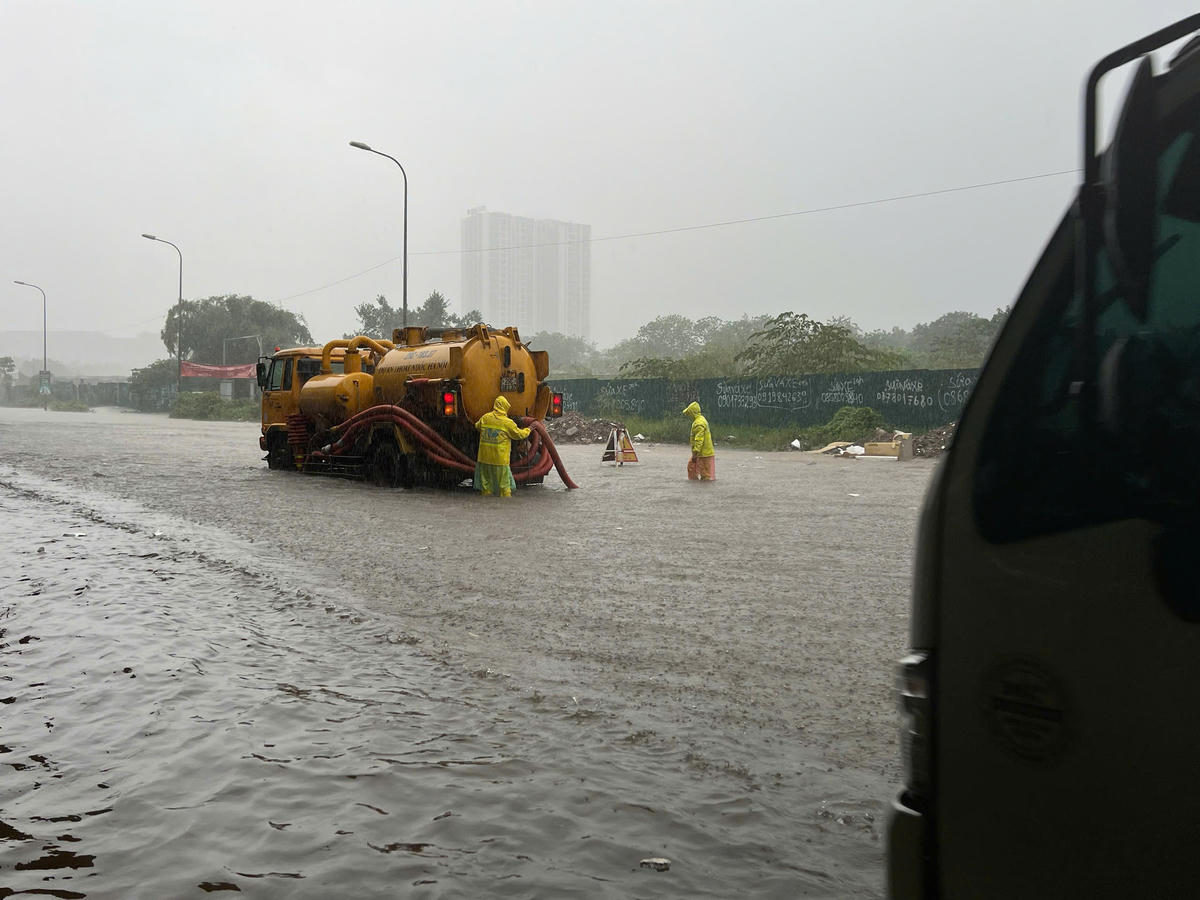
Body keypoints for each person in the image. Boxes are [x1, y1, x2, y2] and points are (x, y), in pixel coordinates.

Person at [474, 395, 531, 497]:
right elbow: (519, 435)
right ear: (505, 407)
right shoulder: (507, 423)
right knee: (504, 486)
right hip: (499, 460)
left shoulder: (485, 418)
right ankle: (505, 506)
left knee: (486, 486)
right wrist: (529, 429)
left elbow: (477, 426)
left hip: (484, 459)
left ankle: (486, 504)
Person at [683, 401, 716, 481]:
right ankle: (697, 486)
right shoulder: (701, 420)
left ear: (692, 413)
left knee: (705, 476)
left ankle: (702, 489)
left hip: (703, 454)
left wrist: (695, 453)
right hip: (703, 453)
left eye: (689, 413)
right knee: (692, 468)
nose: (688, 416)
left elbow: (699, 440)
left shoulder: (699, 423)